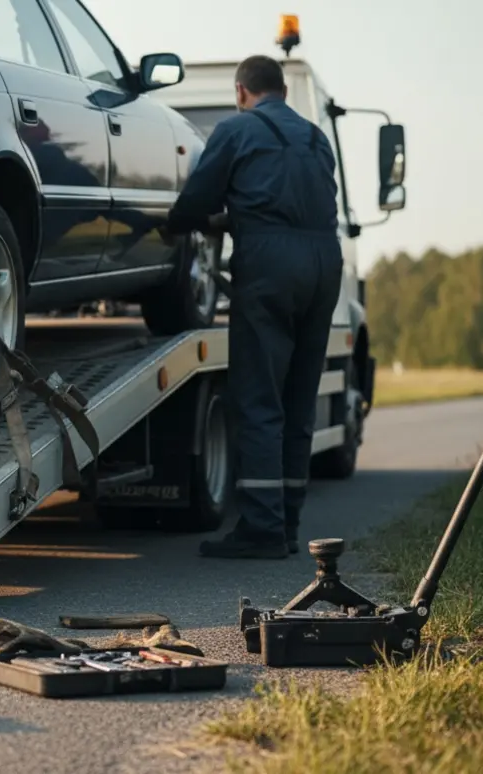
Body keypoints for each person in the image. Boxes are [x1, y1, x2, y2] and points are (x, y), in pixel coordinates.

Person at [162, 54, 343, 559]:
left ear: (241, 91)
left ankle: (261, 531)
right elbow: (285, 206)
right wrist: (233, 222)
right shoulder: (315, 138)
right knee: (298, 399)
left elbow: (199, 198)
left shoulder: (236, 130)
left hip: (270, 266)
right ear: (281, 90)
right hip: (324, 263)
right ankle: (286, 525)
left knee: (260, 398)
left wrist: (176, 224)